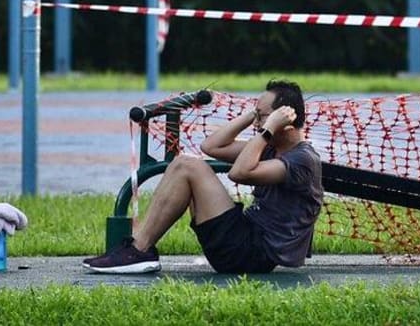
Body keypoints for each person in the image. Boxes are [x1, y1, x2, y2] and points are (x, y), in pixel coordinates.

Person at [84, 79, 323, 274]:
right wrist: (255, 114)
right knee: (184, 163)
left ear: (286, 123)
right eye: (259, 117)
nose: (257, 124)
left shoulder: (302, 159)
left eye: (263, 117)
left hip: (253, 254)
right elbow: (212, 146)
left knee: (188, 166)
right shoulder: (270, 147)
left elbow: (239, 173)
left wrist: (267, 128)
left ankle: (139, 249)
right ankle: (138, 248)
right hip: (244, 241)